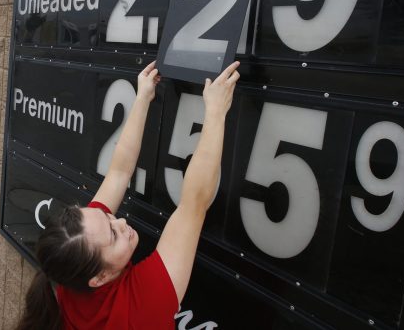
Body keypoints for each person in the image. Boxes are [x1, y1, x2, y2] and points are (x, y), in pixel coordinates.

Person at [15, 60, 241, 330]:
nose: (120, 222)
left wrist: (143, 96)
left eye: (107, 217)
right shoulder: (140, 310)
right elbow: (194, 204)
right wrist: (216, 112)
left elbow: (119, 172)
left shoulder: (73, 272)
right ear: (99, 277)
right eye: (113, 235)